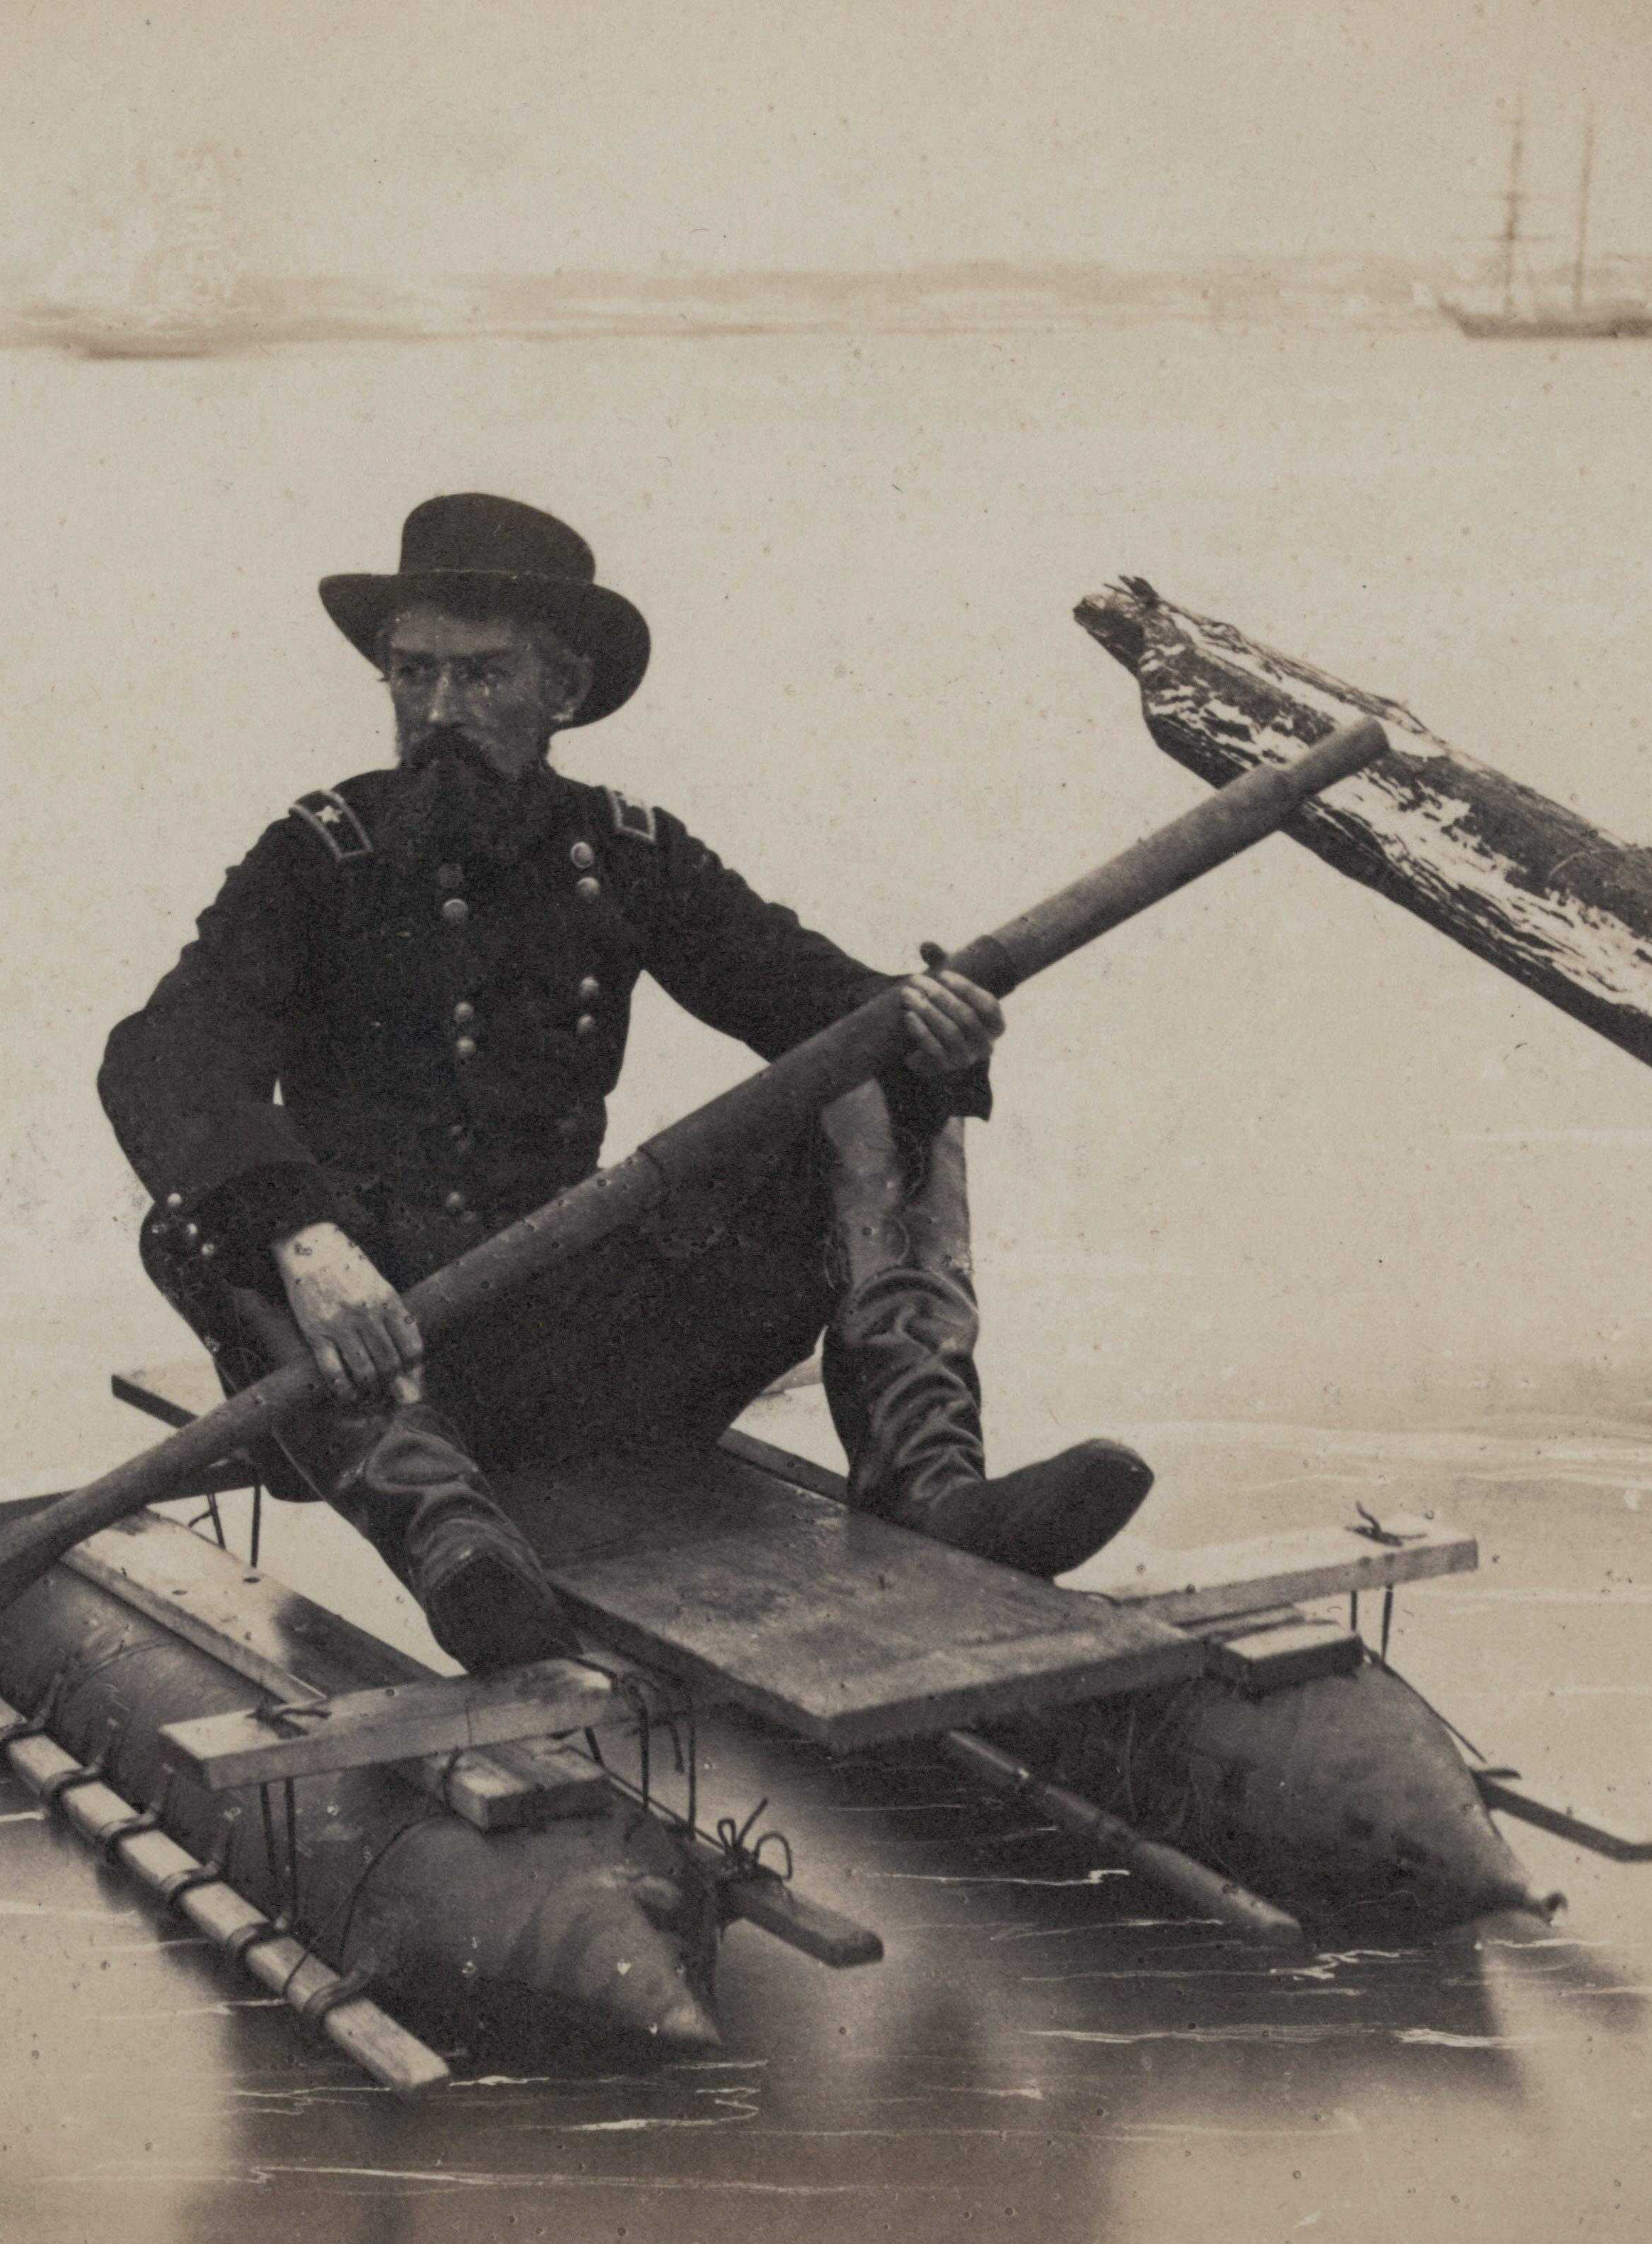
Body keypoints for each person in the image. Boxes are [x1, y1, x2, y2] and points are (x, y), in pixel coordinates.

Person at [99, 493, 1150, 1673]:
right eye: (412, 674)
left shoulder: (631, 851)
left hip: (581, 1348)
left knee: (876, 1067)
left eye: (483, 676)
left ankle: (926, 1481)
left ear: (564, 689)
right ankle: (450, 1541)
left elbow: (818, 1000)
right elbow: (161, 1056)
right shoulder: (314, 856)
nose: (438, 712)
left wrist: (936, 1032)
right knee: (206, 1216)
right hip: (365, 1356)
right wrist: (301, 1237)